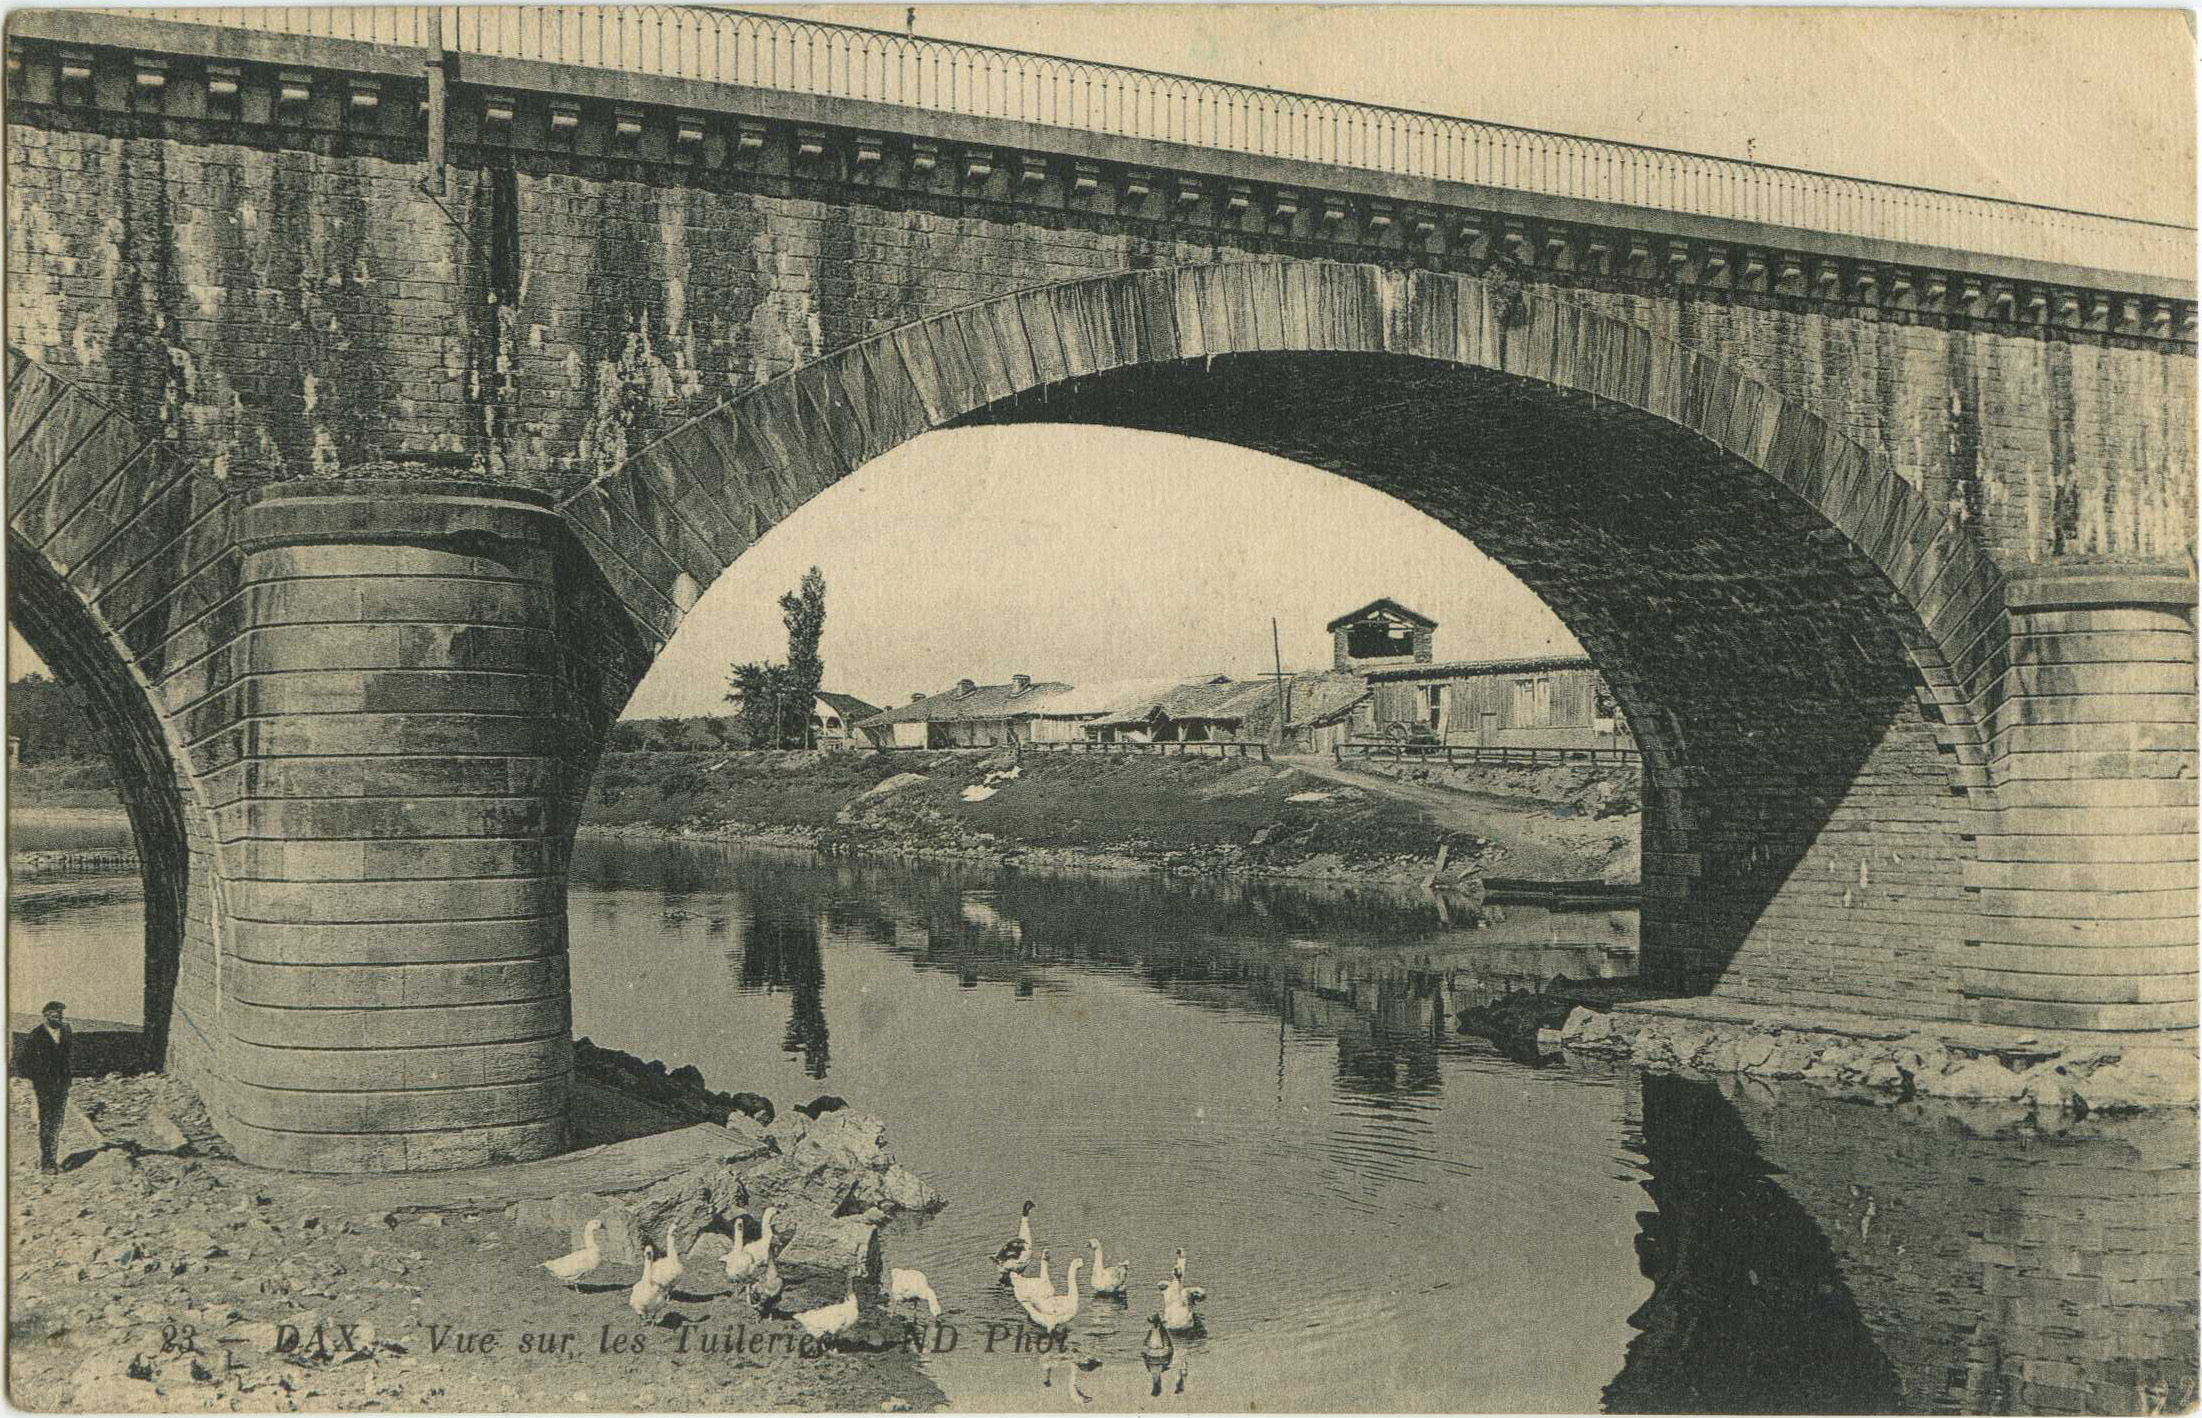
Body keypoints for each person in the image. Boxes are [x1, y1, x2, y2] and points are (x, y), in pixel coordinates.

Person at [14, 1001, 74, 1173]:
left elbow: (68, 1057)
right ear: (46, 1016)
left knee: (57, 1123)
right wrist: (38, 1078)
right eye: (55, 1015)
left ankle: (53, 1159)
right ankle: (47, 1163)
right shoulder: (36, 1036)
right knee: (47, 1122)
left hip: (62, 1085)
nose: (59, 1018)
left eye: (60, 1015)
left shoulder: (66, 1032)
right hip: (45, 1088)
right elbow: (21, 1064)